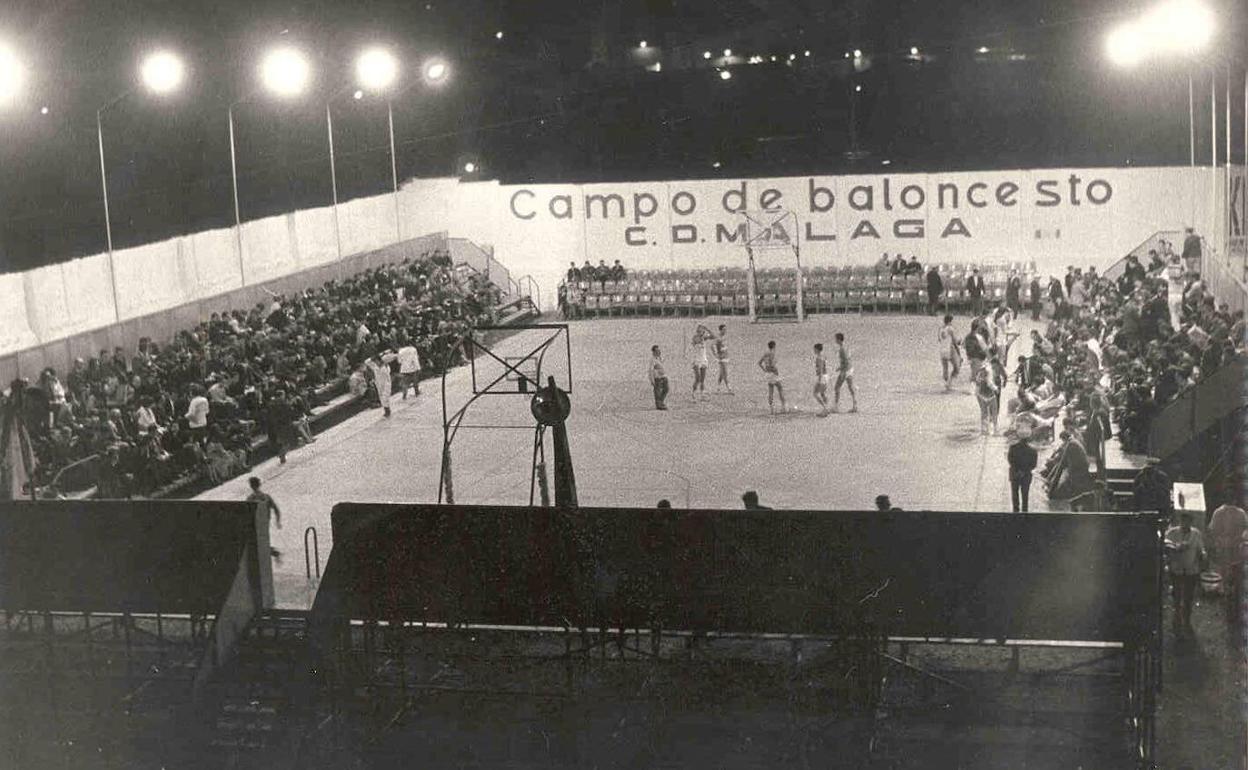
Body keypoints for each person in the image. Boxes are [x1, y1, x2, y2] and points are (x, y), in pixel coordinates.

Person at [1164, 511, 1206, 633]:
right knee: (1177, 595)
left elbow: (1201, 548)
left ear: (1191, 522)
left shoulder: (1196, 534)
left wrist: (1203, 555)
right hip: (1176, 569)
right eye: (1183, 521)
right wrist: (1175, 547)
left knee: (1188, 597)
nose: (1185, 523)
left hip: (1191, 571)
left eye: (1187, 521)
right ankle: (1177, 617)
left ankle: (1186, 620)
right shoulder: (1172, 532)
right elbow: (1165, 543)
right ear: (1180, 521)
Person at [246, 476, 283, 564]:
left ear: (251, 486)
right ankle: (273, 553)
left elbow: (246, 513)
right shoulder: (266, 497)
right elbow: (276, 509)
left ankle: (273, 554)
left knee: (257, 544)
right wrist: (277, 521)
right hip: (265, 523)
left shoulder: (250, 499)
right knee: (261, 542)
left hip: (255, 525)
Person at [1007, 428, 1038, 512]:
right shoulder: (1033, 451)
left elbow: (1010, 461)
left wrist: (1018, 470)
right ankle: (1025, 513)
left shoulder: (1012, 448)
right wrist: (1024, 471)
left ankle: (1015, 512)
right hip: (1026, 475)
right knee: (1025, 496)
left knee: (1015, 495)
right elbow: (1034, 465)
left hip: (1014, 474)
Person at [366, 350, 398, 417]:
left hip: (387, 383)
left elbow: (393, 357)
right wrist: (374, 357)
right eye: (375, 361)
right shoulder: (374, 366)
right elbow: (366, 362)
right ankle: (386, 410)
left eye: (377, 361)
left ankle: (387, 411)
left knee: (385, 397)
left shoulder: (386, 366)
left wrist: (383, 354)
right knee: (381, 397)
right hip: (378, 383)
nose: (376, 362)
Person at [758, 340, 787, 414]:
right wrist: (775, 371)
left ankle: (771, 409)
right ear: (774, 346)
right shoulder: (772, 353)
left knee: (771, 391)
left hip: (767, 374)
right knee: (780, 388)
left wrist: (764, 370)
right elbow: (772, 365)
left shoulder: (765, 353)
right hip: (772, 373)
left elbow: (759, 363)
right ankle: (784, 407)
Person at [831, 333, 857, 413]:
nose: (835, 340)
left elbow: (845, 360)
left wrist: (841, 369)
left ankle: (836, 407)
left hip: (845, 371)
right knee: (851, 387)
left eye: (836, 339)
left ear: (839, 339)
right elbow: (848, 358)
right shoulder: (846, 347)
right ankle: (855, 405)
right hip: (849, 369)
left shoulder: (842, 349)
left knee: (837, 387)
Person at [974, 366, 1000, 435]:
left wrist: (980, 397)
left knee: (984, 414)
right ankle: (995, 429)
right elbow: (994, 388)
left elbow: (976, 393)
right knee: (994, 413)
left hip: (982, 397)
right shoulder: (988, 380)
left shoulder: (978, 381)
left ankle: (984, 429)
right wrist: (996, 389)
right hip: (991, 397)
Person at [690, 325, 711, 402]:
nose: (700, 332)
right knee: (697, 378)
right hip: (696, 360)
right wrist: (703, 335)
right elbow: (697, 340)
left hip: (703, 359)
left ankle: (702, 394)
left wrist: (707, 329)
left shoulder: (703, 338)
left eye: (701, 331)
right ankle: (694, 394)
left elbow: (713, 336)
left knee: (702, 379)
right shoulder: (695, 338)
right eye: (699, 331)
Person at [938, 315, 960, 390]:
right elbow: (955, 341)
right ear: (950, 321)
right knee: (957, 367)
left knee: (945, 369)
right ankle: (949, 384)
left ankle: (946, 384)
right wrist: (958, 350)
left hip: (942, 349)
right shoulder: (950, 329)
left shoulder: (940, 328)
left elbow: (940, 339)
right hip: (950, 349)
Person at [648, 345, 668, 410]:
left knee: (666, 389)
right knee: (657, 391)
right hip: (658, 377)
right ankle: (659, 404)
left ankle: (661, 401)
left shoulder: (660, 358)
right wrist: (652, 379)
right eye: (657, 351)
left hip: (664, 376)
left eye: (659, 351)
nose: (659, 352)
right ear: (653, 352)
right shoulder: (652, 360)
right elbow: (650, 370)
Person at [713, 324, 732, 393]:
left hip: (726, 356)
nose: (725, 331)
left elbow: (725, 346)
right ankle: (729, 388)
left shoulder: (725, 337)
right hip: (721, 358)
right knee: (725, 373)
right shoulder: (718, 338)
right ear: (720, 330)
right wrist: (716, 354)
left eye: (725, 329)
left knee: (721, 373)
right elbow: (712, 346)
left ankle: (718, 388)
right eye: (724, 329)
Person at [812, 343, 830, 416]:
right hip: (825, 376)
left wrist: (819, 380)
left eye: (814, 349)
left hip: (821, 377)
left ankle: (825, 408)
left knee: (815, 393)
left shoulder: (819, 358)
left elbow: (821, 369)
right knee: (822, 393)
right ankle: (826, 409)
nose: (813, 350)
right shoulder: (823, 356)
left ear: (817, 349)